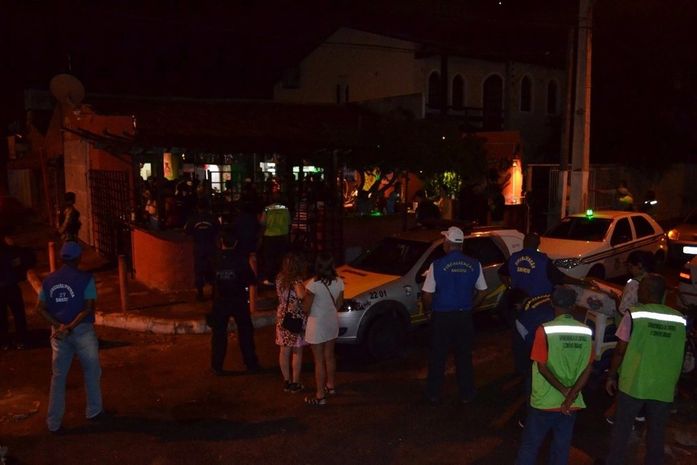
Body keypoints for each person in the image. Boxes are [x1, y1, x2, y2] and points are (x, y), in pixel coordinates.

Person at [604, 274, 687, 465]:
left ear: (647, 292)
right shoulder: (680, 319)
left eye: (641, 289)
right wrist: (675, 382)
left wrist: (611, 376)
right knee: (656, 433)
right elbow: (680, 353)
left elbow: (620, 351)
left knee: (622, 430)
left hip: (634, 383)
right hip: (663, 385)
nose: (638, 292)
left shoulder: (634, 315)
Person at [515, 286, 594, 465]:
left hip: (544, 400)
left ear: (552, 303)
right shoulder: (586, 331)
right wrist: (570, 395)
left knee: (530, 445)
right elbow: (588, 368)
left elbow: (542, 367)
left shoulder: (544, 330)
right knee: (561, 446)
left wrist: (563, 390)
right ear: (573, 306)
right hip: (571, 402)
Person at [36, 242, 106, 433]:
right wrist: (71, 326)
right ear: (79, 258)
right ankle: (94, 410)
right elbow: (88, 308)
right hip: (82, 332)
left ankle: (53, 422)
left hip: (59, 334)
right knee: (92, 371)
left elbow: (40, 309)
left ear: (61, 258)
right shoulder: (86, 279)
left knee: (58, 377)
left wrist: (59, 326)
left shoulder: (48, 281)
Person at [421, 226, 487, 404]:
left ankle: (434, 393)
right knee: (464, 356)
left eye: (445, 240)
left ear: (448, 243)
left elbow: (427, 294)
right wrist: (471, 306)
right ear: (461, 245)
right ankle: (467, 393)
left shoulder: (437, 265)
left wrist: (428, 311)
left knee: (438, 356)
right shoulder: (475, 264)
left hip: (442, 316)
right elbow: (483, 291)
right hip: (464, 316)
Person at [207, 228, 260, 376]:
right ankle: (251, 364)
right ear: (236, 243)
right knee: (245, 333)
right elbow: (251, 280)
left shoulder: (214, 259)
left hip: (220, 302)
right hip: (238, 301)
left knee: (219, 335)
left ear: (221, 242)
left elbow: (208, 278)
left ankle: (216, 366)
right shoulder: (241, 260)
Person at [303, 252, 344, 406]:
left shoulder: (313, 285)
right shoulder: (339, 282)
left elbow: (306, 308)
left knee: (319, 360)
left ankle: (320, 395)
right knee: (330, 356)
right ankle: (330, 386)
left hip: (317, 324)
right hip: (331, 321)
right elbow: (339, 304)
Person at [275, 252, 307, 394]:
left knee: (284, 350)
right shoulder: (296, 280)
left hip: (282, 316)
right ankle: (295, 382)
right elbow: (301, 295)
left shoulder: (279, 278)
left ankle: (286, 381)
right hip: (294, 317)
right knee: (297, 351)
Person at [184, 200, 221, 300]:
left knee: (199, 270)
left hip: (199, 247)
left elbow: (187, 231)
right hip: (211, 247)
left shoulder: (193, 219)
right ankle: (213, 292)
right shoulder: (213, 218)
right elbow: (218, 230)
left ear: (197, 207)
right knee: (212, 268)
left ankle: (200, 293)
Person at [0, 235, 29, 350]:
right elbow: (19, 263)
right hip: (11, 285)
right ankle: (21, 339)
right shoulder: (10, 251)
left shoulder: (10, 251)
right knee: (18, 314)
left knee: (2, 316)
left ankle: (4, 341)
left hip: (7, 286)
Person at [260, 194, 290, 285]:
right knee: (281, 258)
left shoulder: (267, 209)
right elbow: (288, 222)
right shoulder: (285, 209)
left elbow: (262, 222)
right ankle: (281, 278)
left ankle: (270, 279)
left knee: (270, 258)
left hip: (270, 236)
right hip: (282, 235)